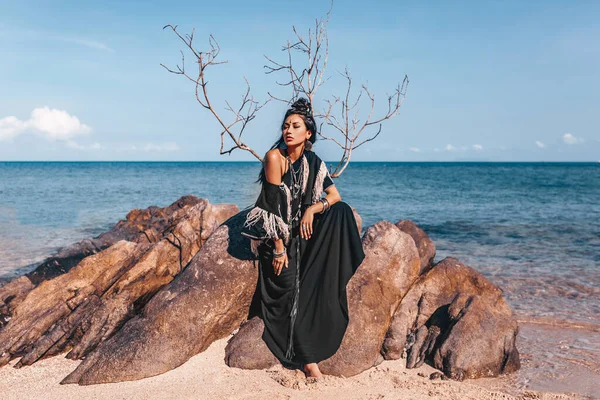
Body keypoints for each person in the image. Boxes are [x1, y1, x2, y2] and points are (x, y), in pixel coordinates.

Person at [241, 98, 365, 378]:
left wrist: (312, 208)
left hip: (305, 231)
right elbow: (271, 209)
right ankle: (308, 361)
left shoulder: (314, 162)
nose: (289, 131)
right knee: (287, 288)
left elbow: (334, 196)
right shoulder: (276, 158)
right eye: (286, 126)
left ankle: (331, 271)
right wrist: (278, 249)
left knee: (342, 212)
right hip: (280, 236)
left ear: (308, 134)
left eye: (296, 126)